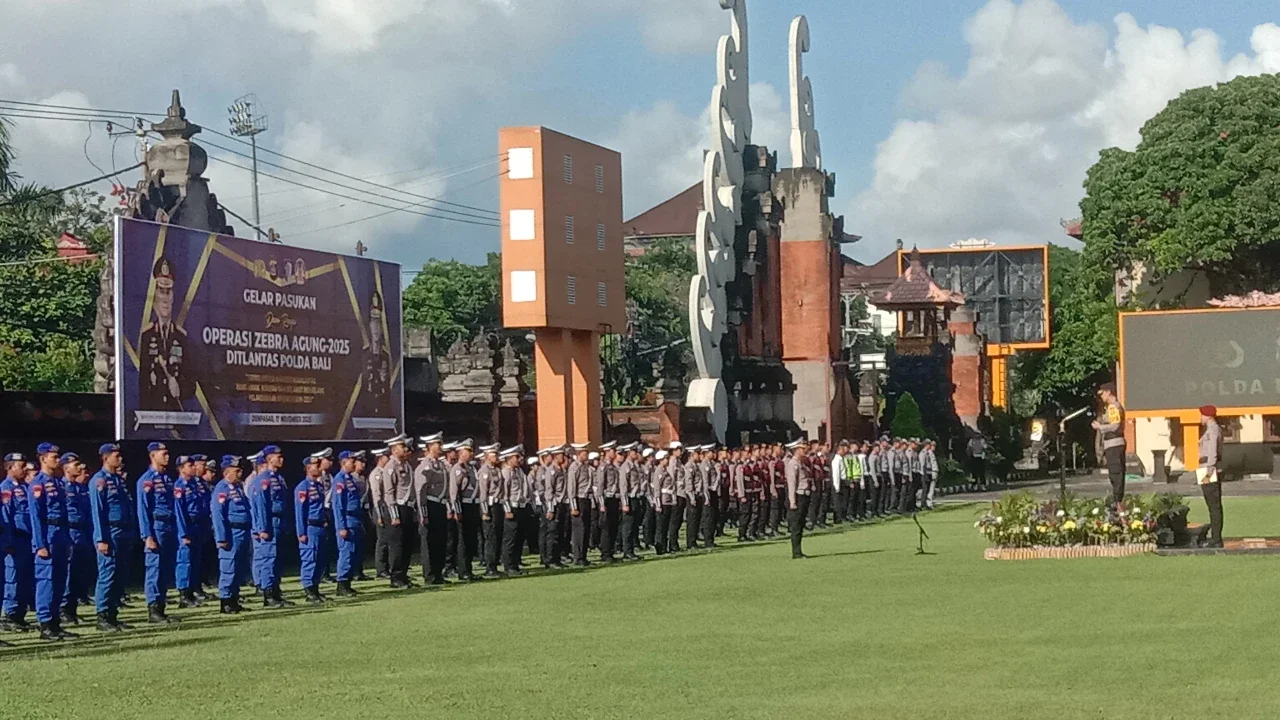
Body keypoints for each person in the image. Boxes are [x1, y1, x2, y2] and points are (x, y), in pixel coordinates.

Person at [29, 443, 78, 640]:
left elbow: (65, 514)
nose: (57, 460)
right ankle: (45, 624)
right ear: (43, 459)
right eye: (54, 457)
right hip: (47, 536)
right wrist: (40, 544)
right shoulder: (38, 484)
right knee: (46, 582)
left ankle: (56, 622)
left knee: (59, 582)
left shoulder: (58, 483)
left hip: (60, 536)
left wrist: (67, 540)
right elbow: (35, 516)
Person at [137, 441, 182, 625]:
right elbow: (143, 509)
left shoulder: (167, 479)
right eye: (162, 453)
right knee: (154, 569)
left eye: (167, 453)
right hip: (156, 527)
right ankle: (153, 610)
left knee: (164, 569)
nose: (167, 456)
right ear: (152, 456)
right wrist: (147, 535)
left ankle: (161, 609)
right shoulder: (146, 480)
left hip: (169, 528)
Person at [139, 256, 192, 412]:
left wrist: (179, 387)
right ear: (154, 296)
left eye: (168, 292)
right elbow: (143, 381)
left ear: (173, 297)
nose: (165, 299)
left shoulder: (181, 337)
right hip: (153, 414)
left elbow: (191, 381)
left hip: (177, 415)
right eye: (161, 292)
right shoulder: (147, 335)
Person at [88, 443, 132, 631]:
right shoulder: (99, 481)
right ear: (106, 458)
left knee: (119, 575)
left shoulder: (118, 480)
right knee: (107, 573)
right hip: (110, 532)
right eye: (116, 455)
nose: (120, 458)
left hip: (123, 531)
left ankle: (113, 614)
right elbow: (97, 512)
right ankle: (102, 615)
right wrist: (101, 539)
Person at [248, 445, 293, 609]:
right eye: (277, 456)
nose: (281, 459)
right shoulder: (263, 479)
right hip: (270, 522)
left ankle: (276, 592)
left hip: (280, 522)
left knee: (278, 559)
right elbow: (261, 506)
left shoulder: (278, 478)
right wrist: (263, 528)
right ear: (269, 459)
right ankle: (268, 596)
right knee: (268, 559)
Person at [210, 455, 252, 614]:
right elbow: (218, 515)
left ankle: (234, 599)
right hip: (231, 533)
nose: (240, 473)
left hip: (242, 531)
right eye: (237, 470)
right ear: (227, 472)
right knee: (228, 568)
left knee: (239, 568)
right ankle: (226, 601)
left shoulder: (238, 488)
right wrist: (221, 537)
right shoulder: (222, 489)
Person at [2, 451, 35, 634]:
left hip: (27, 540)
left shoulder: (24, 488)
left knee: (25, 579)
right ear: (10, 467)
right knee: (12, 579)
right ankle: (10, 615)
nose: (24, 469)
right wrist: (8, 542)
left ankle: (20, 615)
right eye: (20, 466)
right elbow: (6, 516)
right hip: (15, 539)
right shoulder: (6, 488)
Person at [60, 452, 93, 627]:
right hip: (70, 532)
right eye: (75, 464)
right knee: (68, 572)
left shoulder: (80, 488)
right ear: (66, 468)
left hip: (83, 533)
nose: (79, 468)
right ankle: (64, 610)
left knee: (79, 574)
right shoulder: (61, 487)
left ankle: (73, 609)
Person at [379, 434, 416, 588]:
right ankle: (396, 577)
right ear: (394, 450)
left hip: (407, 507)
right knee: (397, 545)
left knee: (407, 544)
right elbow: (389, 492)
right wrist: (394, 514)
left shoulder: (406, 465)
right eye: (402, 447)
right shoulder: (390, 467)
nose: (405, 449)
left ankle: (404, 575)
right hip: (396, 509)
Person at [412, 433, 449, 585]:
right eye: (437, 444)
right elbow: (421, 491)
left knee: (440, 541)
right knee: (429, 542)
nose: (440, 447)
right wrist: (423, 513)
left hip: (440, 505)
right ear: (429, 447)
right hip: (430, 505)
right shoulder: (424, 466)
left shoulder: (440, 465)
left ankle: (438, 572)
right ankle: (430, 575)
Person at [294, 457, 329, 604]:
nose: (319, 468)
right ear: (308, 468)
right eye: (316, 465)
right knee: (310, 558)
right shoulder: (303, 487)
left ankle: (315, 588)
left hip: (320, 526)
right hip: (310, 527)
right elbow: (299, 511)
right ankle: (308, 590)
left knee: (320, 559)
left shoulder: (319, 486)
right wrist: (301, 532)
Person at [173, 455, 205, 608]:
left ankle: (192, 591)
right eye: (189, 465)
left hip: (197, 526)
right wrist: (183, 534)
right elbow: (179, 512)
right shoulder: (180, 486)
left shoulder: (194, 485)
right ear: (181, 468)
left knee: (195, 561)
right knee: (184, 560)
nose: (193, 467)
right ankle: (184, 595)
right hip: (187, 525)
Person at [330, 451, 364, 596]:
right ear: (344, 462)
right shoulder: (339, 480)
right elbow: (338, 506)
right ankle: (342, 583)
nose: (354, 463)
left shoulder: (350, 479)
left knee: (353, 552)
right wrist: (341, 527)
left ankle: (348, 582)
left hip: (355, 519)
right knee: (346, 552)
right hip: (347, 520)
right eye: (351, 461)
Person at [448, 439, 481, 581]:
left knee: (471, 539)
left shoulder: (472, 468)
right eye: (468, 451)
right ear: (461, 453)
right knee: (463, 540)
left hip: (473, 505)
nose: (471, 453)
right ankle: (463, 570)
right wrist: (456, 510)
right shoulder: (457, 468)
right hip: (463, 505)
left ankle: (469, 569)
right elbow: (454, 492)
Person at [1093, 383, 1127, 505]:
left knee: (1116, 474)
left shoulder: (1113, 407)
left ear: (1108, 392)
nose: (1101, 396)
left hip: (1114, 445)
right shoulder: (1110, 407)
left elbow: (1115, 426)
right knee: (1115, 474)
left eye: (1102, 394)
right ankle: (1117, 501)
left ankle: (1117, 502)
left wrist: (1100, 427)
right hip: (1113, 445)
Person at [1197, 405, 1225, 548]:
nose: (1200, 418)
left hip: (1209, 469)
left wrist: (1209, 470)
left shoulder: (1213, 430)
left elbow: (1213, 451)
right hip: (1205, 468)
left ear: (1208, 416)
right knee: (1211, 504)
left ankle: (1216, 538)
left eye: (1201, 415)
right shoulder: (1209, 430)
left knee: (1214, 505)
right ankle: (1215, 537)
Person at [498, 446, 527, 576]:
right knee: (510, 538)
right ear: (509, 458)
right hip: (511, 507)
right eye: (517, 457)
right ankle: (508, 565)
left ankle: (515, 564)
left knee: (519, 537)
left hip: (520, 506)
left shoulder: (519, 471)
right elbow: (504, 493)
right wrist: (507, 510)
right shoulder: (506, 472)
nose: (519, 459)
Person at [477, 444, 505, 579]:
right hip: (489, 505)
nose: (497, 457)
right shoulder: (485, 471)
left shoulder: (497, 470)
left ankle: (494, 564)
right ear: (487, 457)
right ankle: (489, 566)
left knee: (497, 536)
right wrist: (484, 511)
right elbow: (483, 492)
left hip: (498, 505)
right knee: (490, 537)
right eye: (494, 455)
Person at [539, 447, 568, 569]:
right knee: (552, 533)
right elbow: (549, 491)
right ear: (556, 456)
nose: (564, 457)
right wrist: (550, 509)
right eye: (561, 455)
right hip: (554, 504)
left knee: (560, 533)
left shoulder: (561, 469)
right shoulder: (551, 471)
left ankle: (557, 558)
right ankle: (550, 559)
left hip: (561, 503)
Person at [784, 439, 813, 560]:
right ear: (796, 450)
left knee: (800, 525)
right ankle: (796, 552)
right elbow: (792, 483)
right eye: (802, 448)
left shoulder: (801, 463)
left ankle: (799, 550)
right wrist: (793, 501)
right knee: (796, 526)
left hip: (804, 495)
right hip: (798, 496)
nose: (805, 450)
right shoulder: (793, 464)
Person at [366, 447, 390, 579]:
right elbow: (376, 495)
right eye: (386, 456)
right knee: (382, 540)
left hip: (386, 508)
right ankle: (381, 569)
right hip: (379, 508)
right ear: (380, 458)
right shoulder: (376, 473)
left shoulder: (385, 472)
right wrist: (379, 515)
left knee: (388, 539)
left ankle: (386, 567)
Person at [651, 450, 675, 554]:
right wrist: (658, 504)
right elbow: (657, 488)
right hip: (662, 501)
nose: (667, 460)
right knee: (661, 526)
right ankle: (660, 546)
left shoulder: (666, 470)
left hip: (668, 500)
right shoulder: (659, 471)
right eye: (665, 458)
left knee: (666, 525)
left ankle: (664, 546)